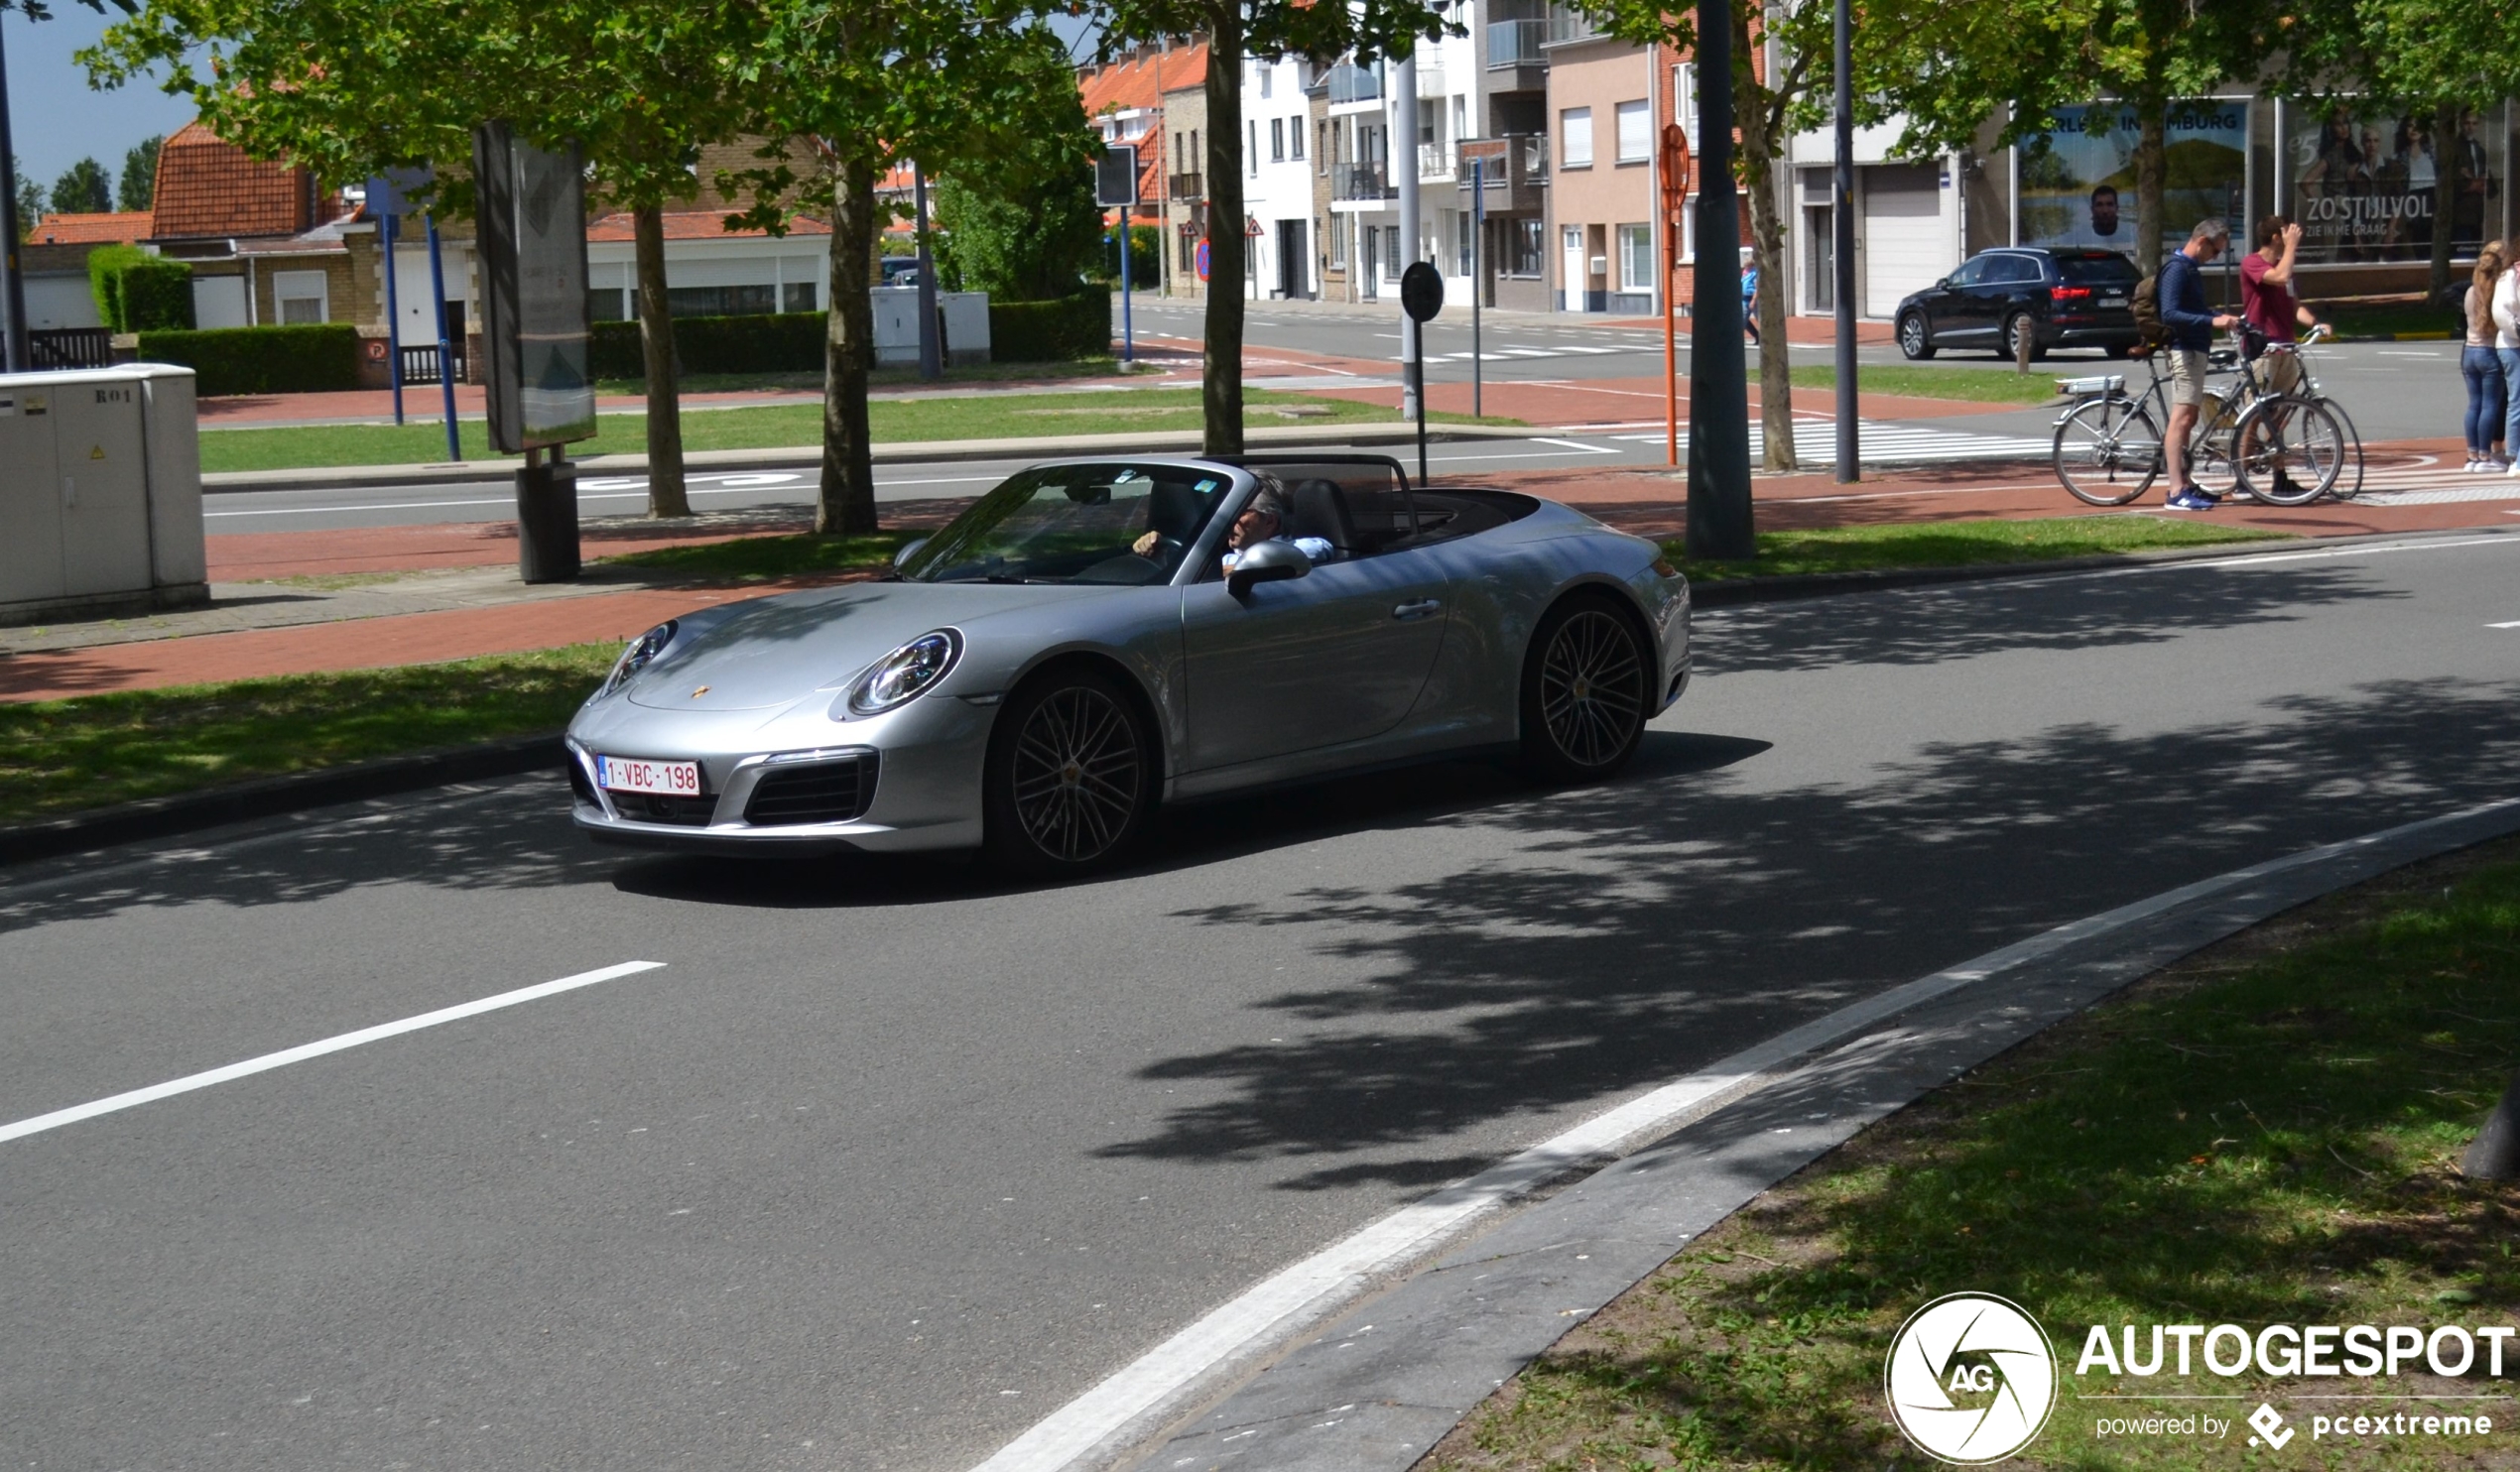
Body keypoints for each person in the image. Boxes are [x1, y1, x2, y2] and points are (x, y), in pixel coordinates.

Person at [2159, 218, 2243, 511]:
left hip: (2196, 349)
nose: (2215, 258)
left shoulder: (2190, 270)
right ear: (2202, 241)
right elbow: (2169, 313)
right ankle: (2175, 490)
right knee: (2181, 419)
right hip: (2185, 351)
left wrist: (2222, 318)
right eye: (2215, 251)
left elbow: (2193, 309)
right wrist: (2211, 320)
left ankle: (2185, 482)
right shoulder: (2177, 269)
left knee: (2189, 418)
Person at [2240, 215, 2324, 395]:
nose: (2292, 238)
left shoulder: (2284, 267)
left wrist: (2316, 324)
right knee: (2256, 411)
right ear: (2276, 238)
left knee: (2282, 409)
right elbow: (2279, 277)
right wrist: (2291, 246)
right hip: (2263, 348)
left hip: (2286, 347)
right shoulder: (2252, 262)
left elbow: (2296, 307)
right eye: (2288, 234)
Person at [2463, 241, 2508, 472]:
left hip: (2470, 350)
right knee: (2491, 405)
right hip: (2490, 351)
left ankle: (2472, 456)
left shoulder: (2471, 291)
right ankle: (2485, 455)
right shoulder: (2497, 293)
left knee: (2474, 405)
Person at [2492, 242, 2520, 478]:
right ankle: (2515, 458)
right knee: (2517, 402)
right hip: (2513, 346)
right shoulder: (2508, 277)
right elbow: (2501, 312)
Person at [1741, 249, 1761, 345]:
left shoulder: (1754, 273)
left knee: (1759, 318)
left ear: (1751, 265)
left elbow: (1757, 288)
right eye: (1745, 266)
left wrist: (1753, 300)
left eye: (1747, 266)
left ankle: (1764, 339)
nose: (1745, 268)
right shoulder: (1745, 273)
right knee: (1743, 319)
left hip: (1753, 298)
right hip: (1744, 299)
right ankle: (1756, 335)